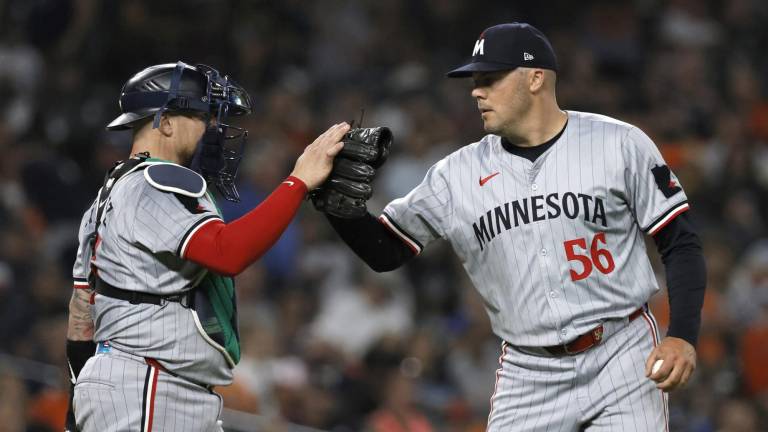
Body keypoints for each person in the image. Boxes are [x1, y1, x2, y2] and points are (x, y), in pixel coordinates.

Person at [319, 23, 706, 430]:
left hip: (621, 349)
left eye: (490, 79)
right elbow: (386, 251)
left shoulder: (618, 143)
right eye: (475, 81)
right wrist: (339, 209)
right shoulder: (457, 175)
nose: (476, 91)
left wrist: (681, 333)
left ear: (536, 78)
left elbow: (680, 242)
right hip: (529, 367)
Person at [64, 61, 349, 431]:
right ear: (165, 122)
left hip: (145, 384)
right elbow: (226, 252)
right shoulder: (152, 184)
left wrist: (79, 400)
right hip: (148, 385)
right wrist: (298, 181)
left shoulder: (108, 198)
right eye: (203, 117)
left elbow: (80, 316)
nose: (213, 129)